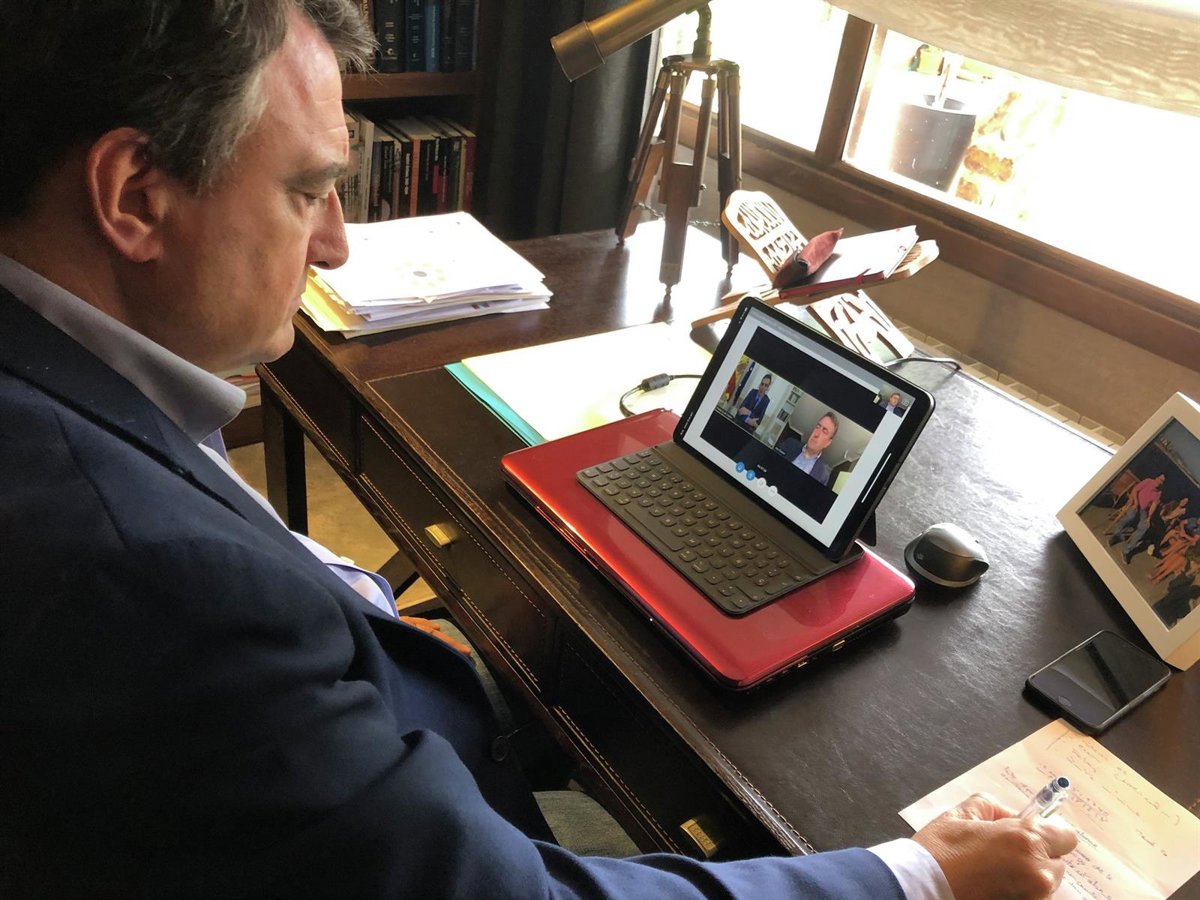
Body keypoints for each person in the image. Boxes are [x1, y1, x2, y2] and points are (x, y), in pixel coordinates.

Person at [0, 2, 1077, 896]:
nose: (334, 244)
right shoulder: (154, 576)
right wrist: (920, 878)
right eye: (309, 191)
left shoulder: (63, 385)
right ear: (135, 196)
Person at [1107, 474, 1165, 563]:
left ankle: (1127, 551)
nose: (1159, 482)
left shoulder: (1158, 493)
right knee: (1130, 516)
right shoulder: (1148, 481)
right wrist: (1135, 502)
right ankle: (1115, 535)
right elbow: (1135, 490)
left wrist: (1149, 517)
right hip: (1135, 503)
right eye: (1159, 479)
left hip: (1143, 510)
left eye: (1162, 481)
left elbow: (1154, 505)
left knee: (1145, 526)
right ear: (1156, 478)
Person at [777, 412, 840, 486]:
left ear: (828, 443)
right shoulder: (790, 443)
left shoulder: (823, 475)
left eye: (824, 431)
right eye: (818, 427)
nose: (816, 434)